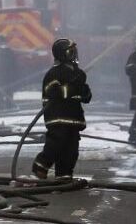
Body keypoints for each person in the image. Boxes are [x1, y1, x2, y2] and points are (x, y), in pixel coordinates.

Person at [32, 38, 91, 180]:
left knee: (71, 150)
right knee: (56, 145)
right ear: (62, 54)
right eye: (71, 51)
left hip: (74, 118)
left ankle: (64, 175)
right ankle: (41, 166)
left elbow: (87, 96)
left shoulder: (78, 74)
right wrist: (73, 87)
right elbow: (55, 92)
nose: (74, 54)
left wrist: (82, 87)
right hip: (58, 117)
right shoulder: (53, 74)